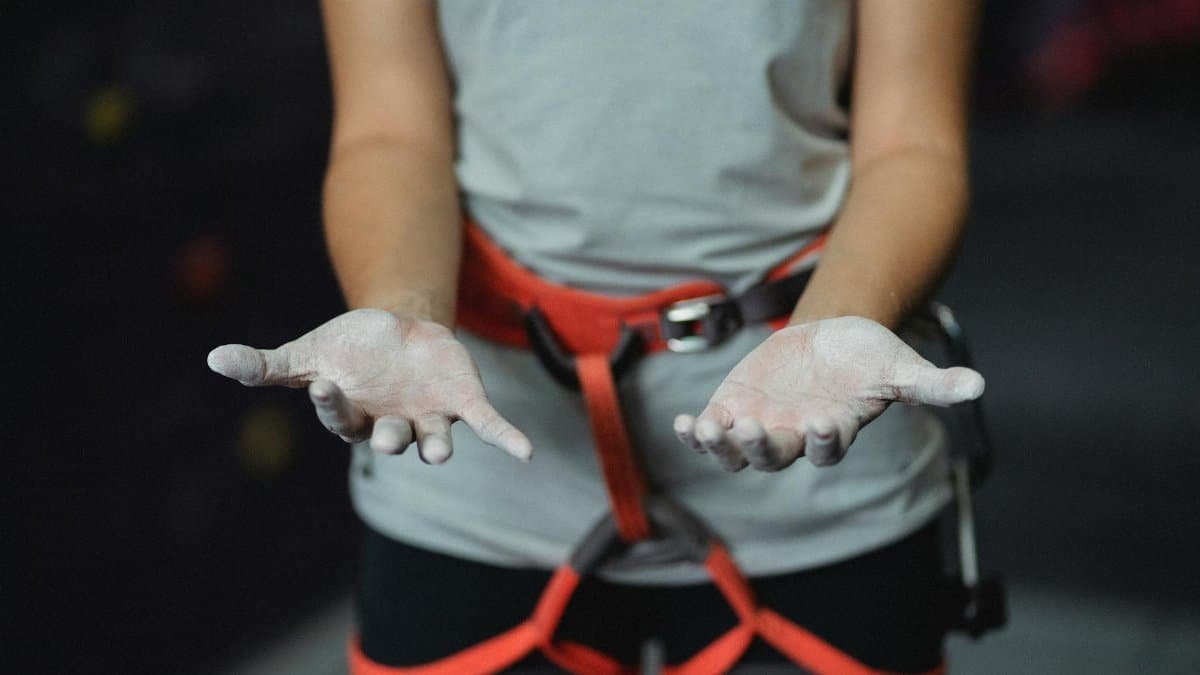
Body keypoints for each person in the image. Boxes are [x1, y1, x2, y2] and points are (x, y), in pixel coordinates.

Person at [207, 1, 984, 672]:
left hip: (813, 449)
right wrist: (402, 313)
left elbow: (913, 143)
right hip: (479, 454)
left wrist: (833, 331)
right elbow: (388, 131)